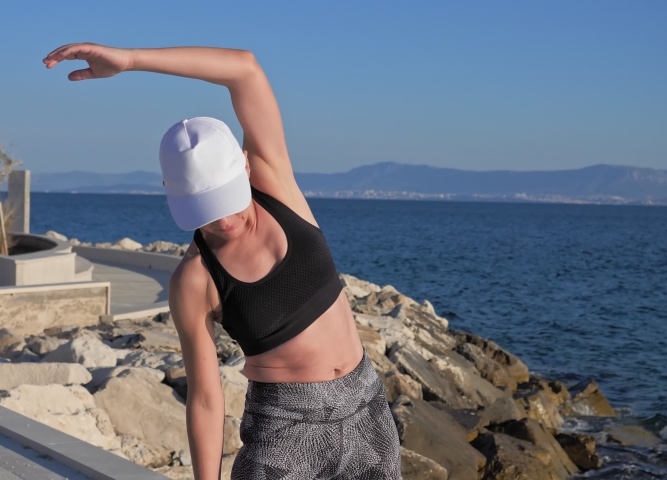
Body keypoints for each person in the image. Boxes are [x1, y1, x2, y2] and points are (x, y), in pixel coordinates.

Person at [42, 43, 401, 479]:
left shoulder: (275, 181)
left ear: (245, 166)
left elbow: (244, 69)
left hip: (367, 410)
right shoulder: (194, 279)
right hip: (285, 436)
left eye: (227, 199)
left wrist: (132, 60)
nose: (224, 220)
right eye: (205, 208)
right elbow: (207, 399)